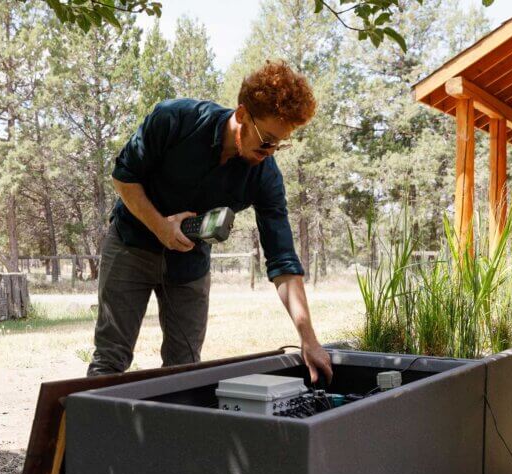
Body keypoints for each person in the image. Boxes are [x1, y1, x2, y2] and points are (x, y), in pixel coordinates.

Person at [87, 60, 333, 384]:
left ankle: (170, 435)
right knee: (110, 359)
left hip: (189, 264)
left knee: (185, 370)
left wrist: (308, 338)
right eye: (267, 140)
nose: (271, 151)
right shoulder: (175, 118)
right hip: (131, 245)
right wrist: (161, 227)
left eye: (280, 143)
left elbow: (283, 260)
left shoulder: (265, 176)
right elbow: (124, 177)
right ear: (243, 115)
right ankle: (91, 433)